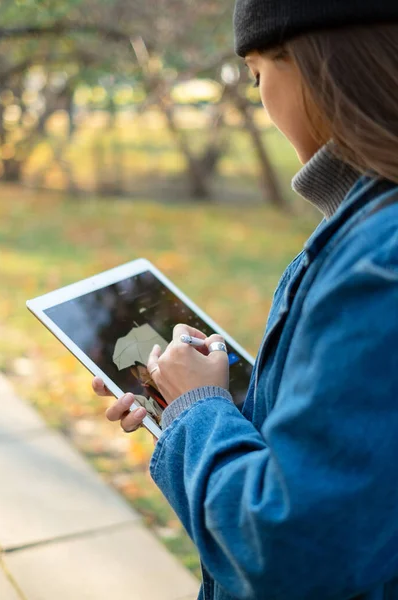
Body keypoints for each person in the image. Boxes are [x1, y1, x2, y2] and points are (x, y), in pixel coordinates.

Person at [92, 1, 398, 598]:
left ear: (315, 66)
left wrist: (200, 407)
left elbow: (285, 552)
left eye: (258, 75)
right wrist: (191, 410)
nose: (261, 98)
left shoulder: (378, 261)